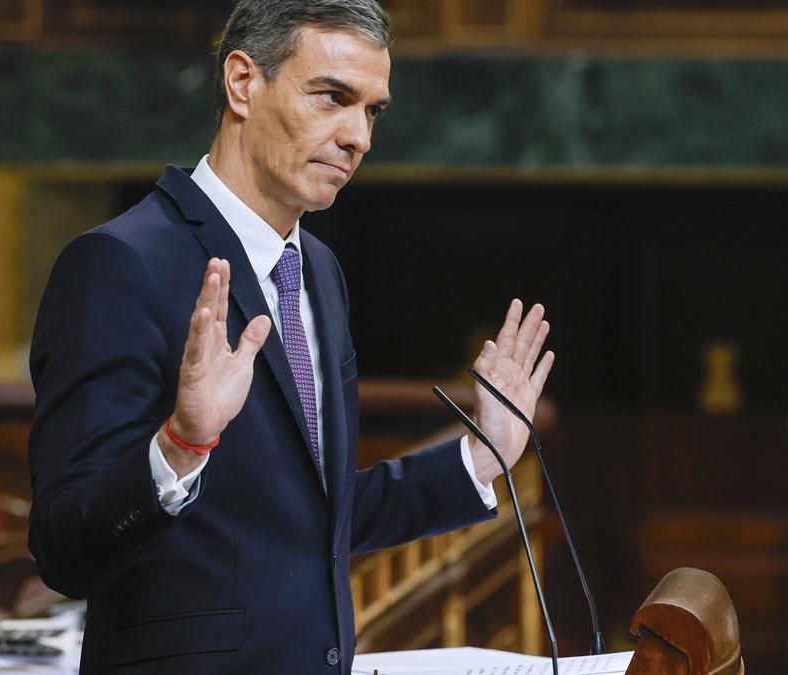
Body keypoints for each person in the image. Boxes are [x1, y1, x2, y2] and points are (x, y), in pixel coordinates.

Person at [27, 1, 554, 672]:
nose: (357, 135)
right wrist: (180, 446)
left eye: (372, 111)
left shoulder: (319, 272)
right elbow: (64, 548)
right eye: (333, 97)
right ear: (242, 82)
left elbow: (311, 519)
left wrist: (481, 459)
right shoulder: (119, 264)